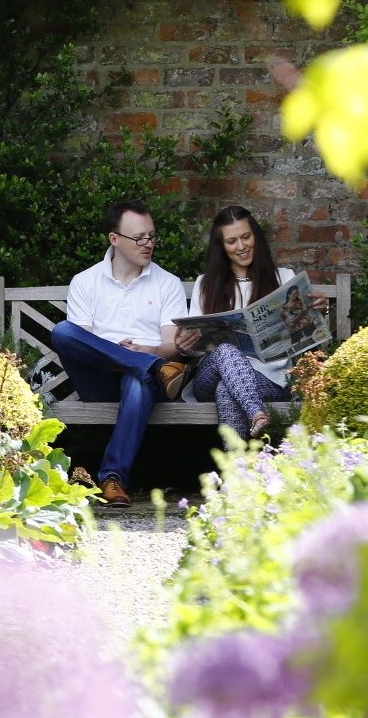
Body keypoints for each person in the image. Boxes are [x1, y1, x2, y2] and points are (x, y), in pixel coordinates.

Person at [49, 200, 191, 507]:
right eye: (140, 238)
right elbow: (80, 344)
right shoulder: (85, 282)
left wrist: (149, 351)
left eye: (152, 236)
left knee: (137, 379)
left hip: (149, 385)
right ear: (115, 239)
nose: (149, 244)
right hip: (98, 381)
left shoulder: (167, 283)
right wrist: (130, 357)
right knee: (62, 331)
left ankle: (112, 479)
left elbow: (173, 345)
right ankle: (150, 366)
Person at [179, 205, 323, 439]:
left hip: (271, 380)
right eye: (232, 241)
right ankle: (257, 412)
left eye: (246, 237)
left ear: (255, 236)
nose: (242, 246)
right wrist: (186, 346)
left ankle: (238, 469)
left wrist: (319, 310)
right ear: (222, 247)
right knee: (226, 350)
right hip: (211, 374)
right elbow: (198, 348)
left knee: (227, 390)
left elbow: (308, 337)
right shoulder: (206, 283)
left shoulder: (284, 278)